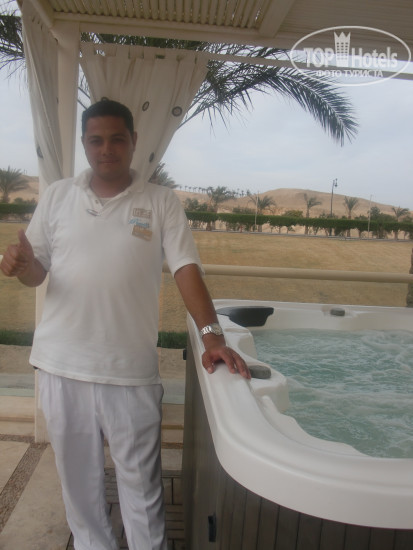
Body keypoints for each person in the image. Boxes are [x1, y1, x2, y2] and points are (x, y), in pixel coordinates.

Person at [0, 98, 250, 550]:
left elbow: (186, 268)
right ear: (84, 144)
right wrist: (21, 266)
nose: (107, 149)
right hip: (61, 366)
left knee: (142, 492)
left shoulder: (160, 201)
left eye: (117, 139)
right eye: (96, 140)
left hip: (129, 372)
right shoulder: (58, 195)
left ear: (134, 141)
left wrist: (213, 336)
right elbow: (37, 272)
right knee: (79, 490)